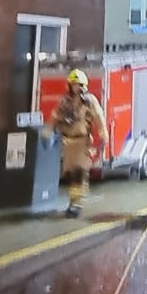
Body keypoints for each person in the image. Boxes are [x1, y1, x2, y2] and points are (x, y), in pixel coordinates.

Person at [52, 69, 107, 218]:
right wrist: (49, 131)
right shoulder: (66, 102)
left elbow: (99, 120)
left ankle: (76, 204)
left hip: (82, 142)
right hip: (68, 143)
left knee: (79, 174)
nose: (75, 87)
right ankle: (73, 201)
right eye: (73, 84)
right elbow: (56, 117)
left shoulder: (90, 102)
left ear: (83, 86)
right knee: (70, 175)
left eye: (78, 85)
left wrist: (103, 138)